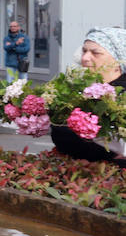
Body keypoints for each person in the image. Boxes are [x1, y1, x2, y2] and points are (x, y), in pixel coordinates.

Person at [50, 27, 126, 163]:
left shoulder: (122, 97)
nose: (84, 58)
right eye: (84, 51)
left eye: (95, 53)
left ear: (118, 61)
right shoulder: (78, 90)